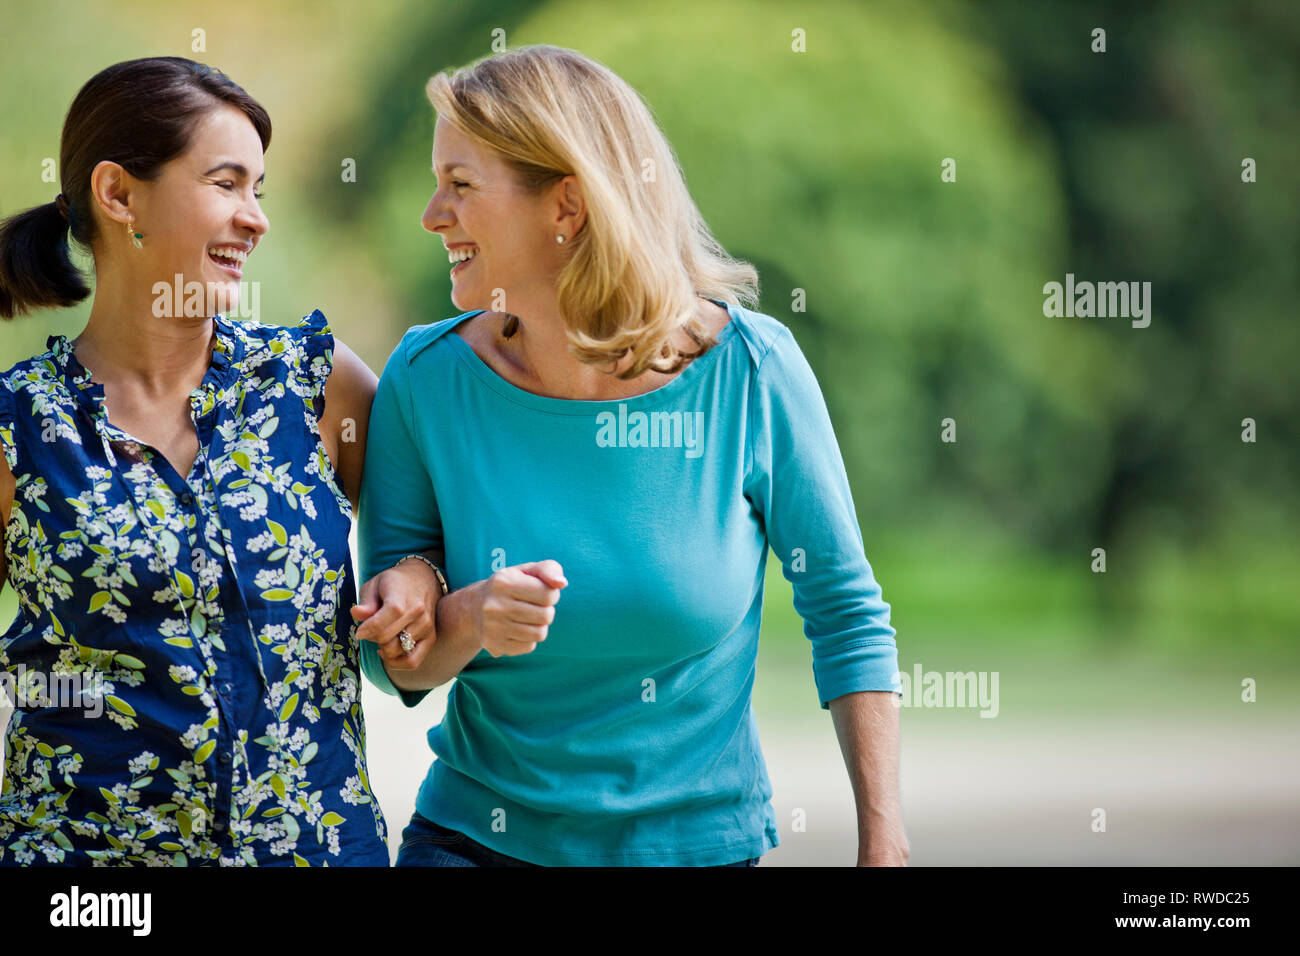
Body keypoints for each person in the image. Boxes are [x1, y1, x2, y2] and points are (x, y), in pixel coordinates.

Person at [354, 44, 909, 867]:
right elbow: (398, 666)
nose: (433, 214)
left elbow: (846, 612)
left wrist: (883, 845)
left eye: (461, 186)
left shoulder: (750, 373)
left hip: (697, 849)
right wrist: (464, 612)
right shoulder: (425, 382)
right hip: (474, 843)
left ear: (566, 206)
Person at [0, 57, 440, 865]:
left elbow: (429, 533)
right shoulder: (18, 427)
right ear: (118, 194)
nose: (256, 219)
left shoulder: (317, 385)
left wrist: (418, 575)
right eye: (227, 184)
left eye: (260, 191)